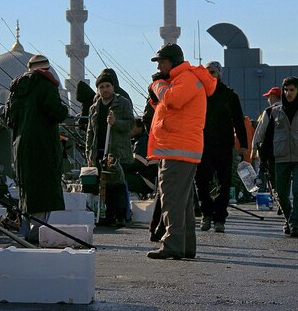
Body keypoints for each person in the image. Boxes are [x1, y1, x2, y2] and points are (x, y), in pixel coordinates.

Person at [146, 43, 216, 260]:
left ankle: (173, 244)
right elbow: (167, 105)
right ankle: (185, 245)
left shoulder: (185, 78)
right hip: (182, 149)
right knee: (183, 202)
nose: (159, 66)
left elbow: (172, 100)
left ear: (172, 61)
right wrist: (158, 89)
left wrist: (157, 84)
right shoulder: (182, 79)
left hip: (178, 149)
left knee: (172, 199)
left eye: (162, 62)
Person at [5, 54, 68, 242]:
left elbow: (8, 118)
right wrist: (64, 109)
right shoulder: (46, 84)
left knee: (27, 187)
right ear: (47, 69)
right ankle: (36, 232)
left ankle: (26, 230)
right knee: (44, 187)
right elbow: (56, 111)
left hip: (21, 146)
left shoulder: (16, 89)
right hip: (42, 145)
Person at [260, 77, 298, 237]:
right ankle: (289, 219)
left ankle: (295, 224)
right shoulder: (274, 112)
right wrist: (263, 161)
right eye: (286, 90)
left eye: (292, 90)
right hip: (281, 157)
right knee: (281, 193)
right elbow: (267, 139)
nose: (288, 93)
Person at [195, 61, 247, 233]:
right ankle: (206, 213)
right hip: (202, 145)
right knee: (201, 181)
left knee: (225, 183)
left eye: (213, 72)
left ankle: (220, 218)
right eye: (207, 72)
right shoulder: (199, 93)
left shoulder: (230, 95)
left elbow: (239, 121)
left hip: (224, 145)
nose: (210, 75)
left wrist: (244, 145)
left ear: (219, 74)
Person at [85, 69, 134, 226]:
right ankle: (108, 215)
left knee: (117, 183)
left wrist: (115, 123)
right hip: (99, 149)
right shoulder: (94, 108)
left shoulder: (123, 103)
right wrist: (89, 153)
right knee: (103, 184)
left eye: (107, 86)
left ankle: (121, 215)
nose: (105, 90)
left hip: (117, 150)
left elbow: (130, 124)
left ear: (113, 87)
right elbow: (90, 132)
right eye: (102, 87)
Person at [251, 86, 281, 202]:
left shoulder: (268, 112)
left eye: (269, 97)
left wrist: (254, 148)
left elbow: (260, 132)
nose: (268, 100)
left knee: (272, 177)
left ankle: (278, 199)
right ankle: (282, 199)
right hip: (286, 151)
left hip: (271, 150)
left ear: (273, 97)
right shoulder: (288, 109)